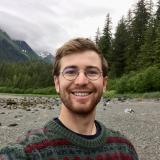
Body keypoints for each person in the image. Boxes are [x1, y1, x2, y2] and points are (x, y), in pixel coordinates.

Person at [0, 38, 139, 160]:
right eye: (71, 72)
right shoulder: (29, 152)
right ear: (57, 83)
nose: (81, 81)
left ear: (104, 84)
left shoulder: (124, 149)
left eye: (92, 72)